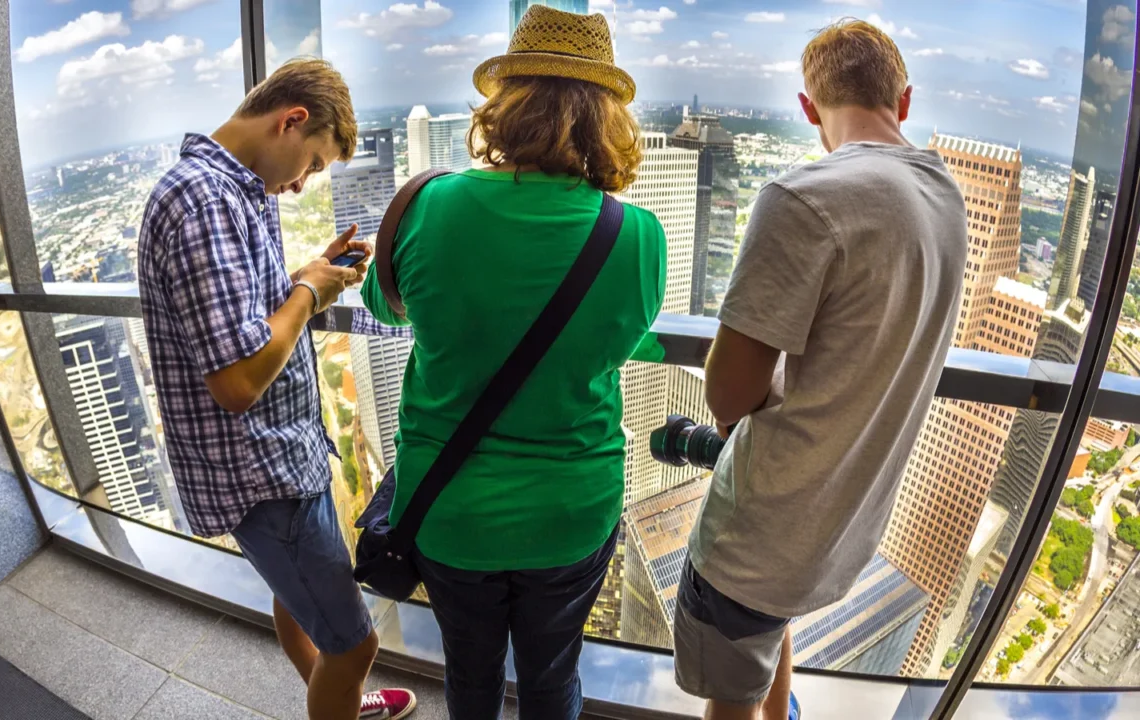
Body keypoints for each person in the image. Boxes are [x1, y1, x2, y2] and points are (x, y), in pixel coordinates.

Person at [360, 6, 664, 719]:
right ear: (606, 120)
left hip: (450, 509)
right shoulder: (637, 235)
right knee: (553, 678)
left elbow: (384, 305)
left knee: (470, 675)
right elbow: (631, 338)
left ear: (502, 107)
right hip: (571, 510)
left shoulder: (425, 208)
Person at [676, 19, 968, 720]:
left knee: (729, 704)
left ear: (809, 107)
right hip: (844, 528)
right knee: (772, 643)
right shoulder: (947, 200)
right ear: (904, 99)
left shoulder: (804, 198)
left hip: (758, 537)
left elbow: (729, 392)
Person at [136, 58, 416, 720]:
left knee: (300, 601)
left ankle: (335, 698)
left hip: (275, 459)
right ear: (290, 120)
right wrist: (310, 291)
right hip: (261, 472)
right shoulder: (207, 200)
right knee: (356, 645)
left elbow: (244, 316)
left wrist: (310, 274)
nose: (301, 184)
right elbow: (236, 382)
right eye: (313, 163)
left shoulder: (236, 191)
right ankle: (340, 692)